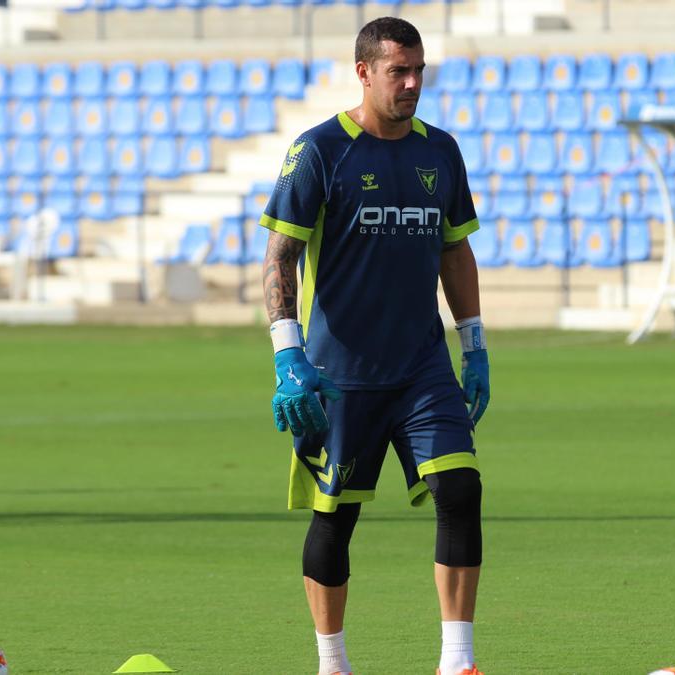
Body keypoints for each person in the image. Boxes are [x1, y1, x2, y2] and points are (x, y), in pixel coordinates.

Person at [260, 17, 488, 675]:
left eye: (419, 70)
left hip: (422, 367)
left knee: (462, 488)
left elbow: (456, 248)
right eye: (399, 71)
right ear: (363, 71)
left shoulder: (440, 152)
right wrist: (287, 354)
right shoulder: (320, 151)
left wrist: (473, 344)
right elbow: (280, 256)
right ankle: (332, 662)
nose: (413, 83)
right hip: (339, 374)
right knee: (335, 520)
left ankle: (457, 661)